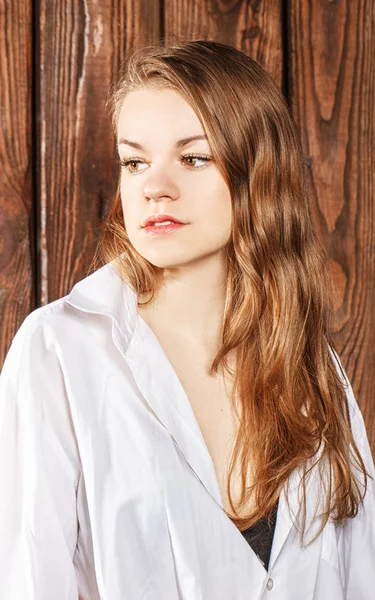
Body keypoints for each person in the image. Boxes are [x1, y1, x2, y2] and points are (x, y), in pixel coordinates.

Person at [0, 39, 374, 600]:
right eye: (135, 161)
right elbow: (31, 581)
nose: (154, 187)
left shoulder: (310, 360)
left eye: (194, 157)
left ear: (257, 171)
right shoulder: (58, 352)